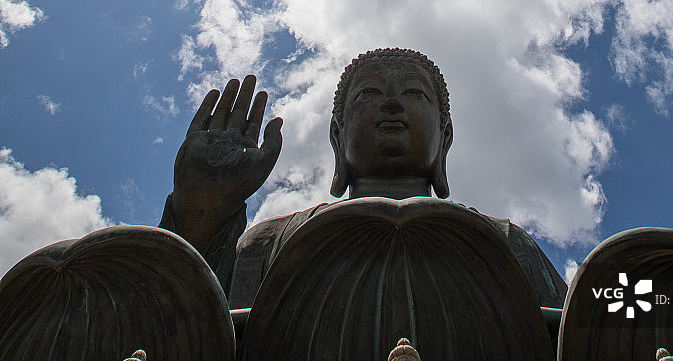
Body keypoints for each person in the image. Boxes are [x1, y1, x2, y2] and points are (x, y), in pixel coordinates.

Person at [159, 48, 567, 310]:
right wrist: (201, 213)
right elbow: (174, 338)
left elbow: (580, 345)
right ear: (338, 136)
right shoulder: (268, 245)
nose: (391, 102)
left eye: (414, 94)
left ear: (444, 137)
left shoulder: (505, 243)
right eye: (369, 94)